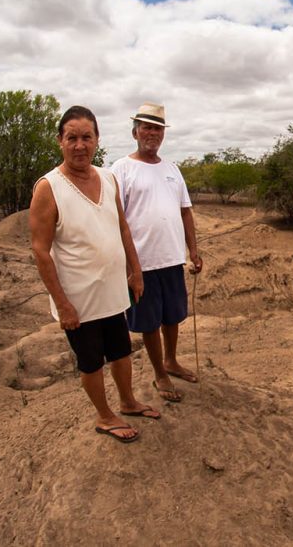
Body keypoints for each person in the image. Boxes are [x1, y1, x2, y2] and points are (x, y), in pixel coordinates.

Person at [29, 106, 160, 444]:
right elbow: (40, 250)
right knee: (91, 362)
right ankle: (104, 416)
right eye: (71, 137)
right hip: (79, 300)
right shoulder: (49, 187)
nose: (79, 145)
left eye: (86, 137)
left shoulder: (108, 178)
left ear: (97, 140)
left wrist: (136, 271)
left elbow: (122, 227)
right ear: (60, 140)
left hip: (112, 293)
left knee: (120, 351)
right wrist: (63, 304)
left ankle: (127, 401)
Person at [111, 103, 203, 403]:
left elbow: (185, 212)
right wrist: (129, 266)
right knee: (149, 321)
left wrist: (194, 250)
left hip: (172, 259)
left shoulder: (172, 169)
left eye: (158, 128)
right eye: (146, 127)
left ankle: (171, 360)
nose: (152, 133)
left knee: (172, 315)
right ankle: (159, 374)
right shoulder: (121, 168)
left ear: (163, 134)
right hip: (141, 263)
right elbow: (117, 219)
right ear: (135, 131)